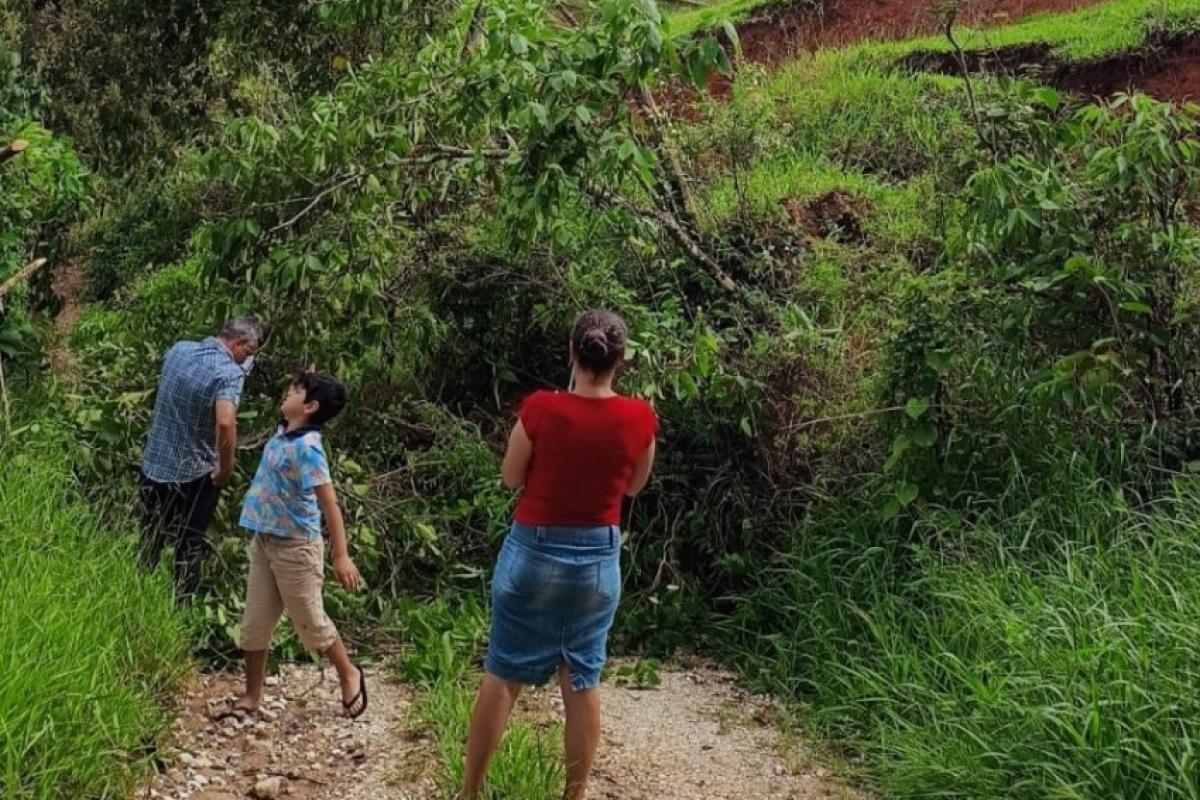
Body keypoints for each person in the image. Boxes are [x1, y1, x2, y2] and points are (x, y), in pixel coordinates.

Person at [461, 309, 658, 800]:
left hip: (533, 549)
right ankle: (573, 795)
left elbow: (510, 477)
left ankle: (469, 793)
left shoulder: (541, 408)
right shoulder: (639, 417)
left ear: (572, 352)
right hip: (596, 560)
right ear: (622, 360)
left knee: (503, 671)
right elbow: (634, 487)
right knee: (583, 677)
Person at [214, 370, 367, 721]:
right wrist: (308, 376)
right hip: (264, 542)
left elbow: (330, 504)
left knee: (310, 621)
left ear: (310, 406)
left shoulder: (308, 449)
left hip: (297, 548)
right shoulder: (284, 434)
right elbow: (301, 396)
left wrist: (341, 555)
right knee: (254, 623)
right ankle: (252, 695)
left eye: (296, 391)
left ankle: (349, 673)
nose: (287, 393)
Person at [139, 317, 261, 602]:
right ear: (239, 343)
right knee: (189, 543)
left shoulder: (178, 350)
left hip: (153, 464)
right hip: (194, 476)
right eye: (249, 353)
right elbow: (226, 422)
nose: (247, 359)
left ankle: (137, 593)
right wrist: (225, 467)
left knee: (150, 536)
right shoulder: (228, 374)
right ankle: (182, 606)